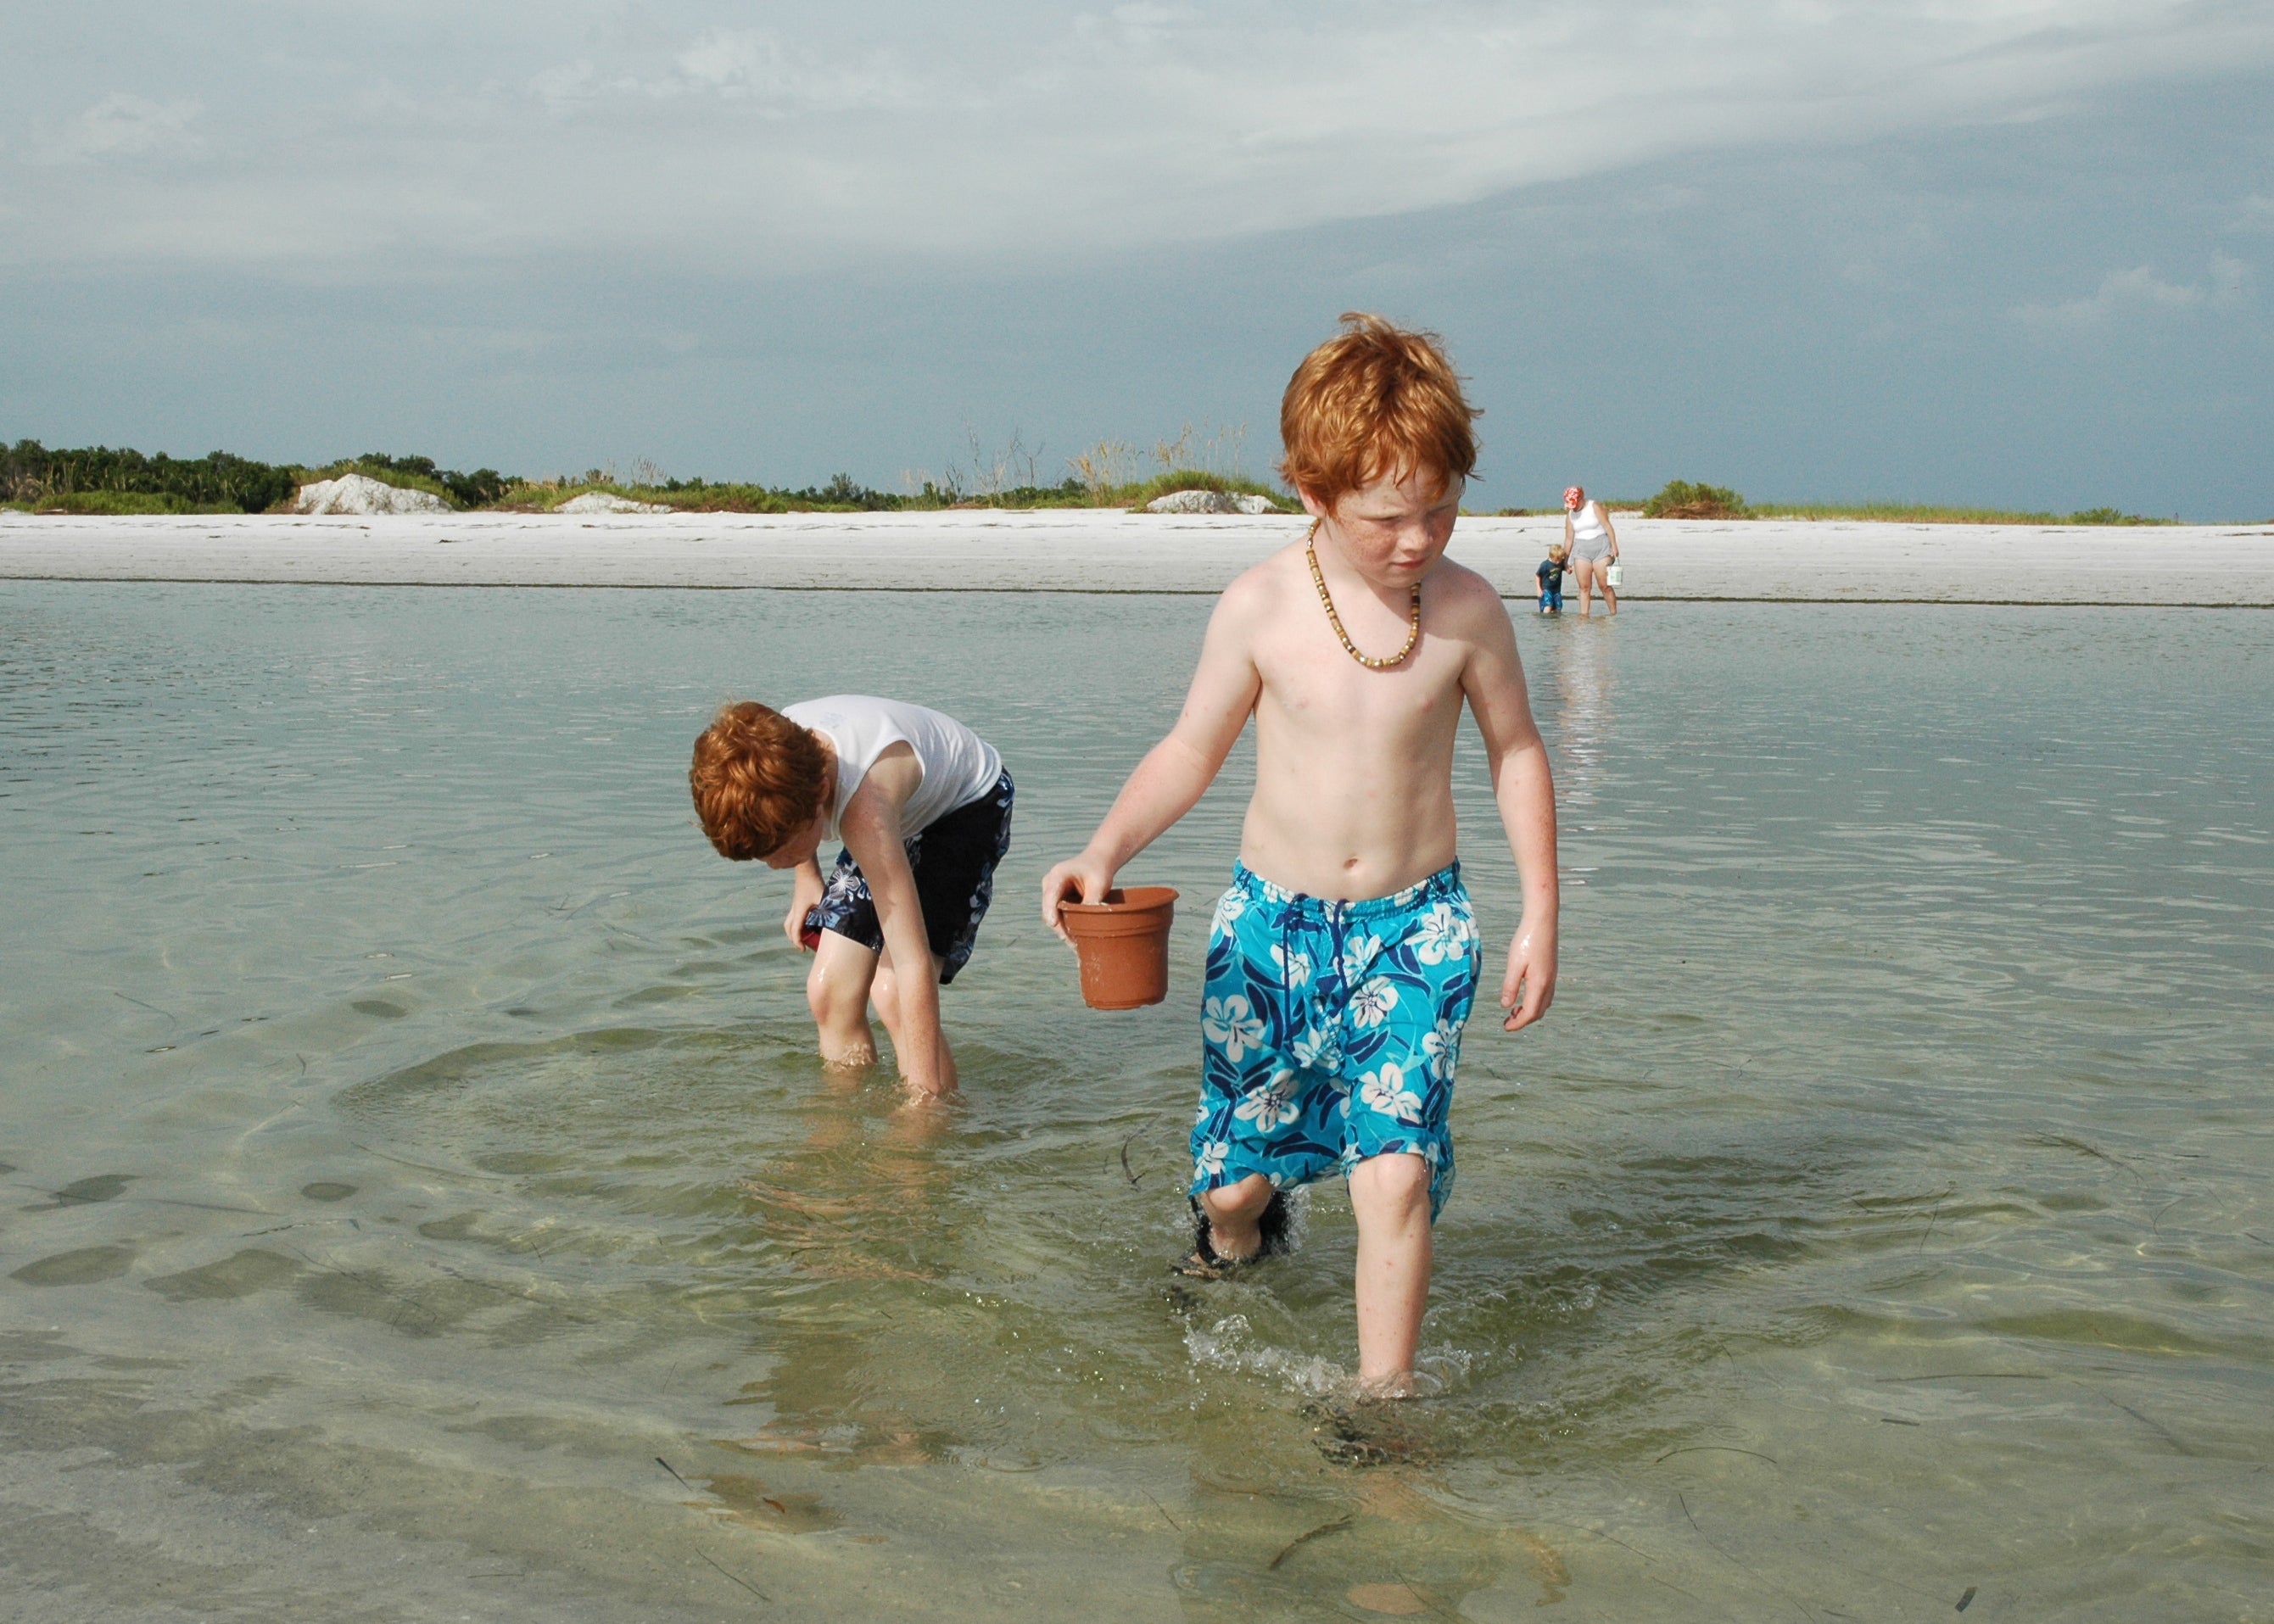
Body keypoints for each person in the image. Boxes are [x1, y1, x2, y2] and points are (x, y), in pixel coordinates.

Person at [1041, 313, 1559, 1396]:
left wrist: (1539, 911)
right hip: (1269, 933)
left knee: (1394, 1174)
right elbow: (1189, 750)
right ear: (1311, 493)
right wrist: (1101, 847)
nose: (1418, 539)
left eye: (1440, 509)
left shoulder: (1465, 612)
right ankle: (1235, 1233)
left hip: (1415, 928)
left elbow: (1515, 751)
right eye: (1387, 519)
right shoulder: (1261, 607)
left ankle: (1383, 1402)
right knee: (1231, 1190)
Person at [690, 697, 1013, 1097]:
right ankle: (841, 1118)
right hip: (896, 811)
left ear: (821, 793)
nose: (774, 865)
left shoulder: (864, 813)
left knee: (892, 993)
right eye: (763, 856)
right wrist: (805, 875)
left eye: (783, 852)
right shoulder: (776, 755)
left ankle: (936, 1115)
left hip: (967, 808)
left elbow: (912, 963)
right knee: (829, 994)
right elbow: (793, 821)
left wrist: (922, 1100)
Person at [1562, 485, 1619, 615]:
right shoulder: (1571, 515)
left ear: (1581, 498)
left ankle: (1613, 614)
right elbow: (1569, 539)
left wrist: (1614, 546)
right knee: (1584, 587)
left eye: (1575, 503)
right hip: (1581, 550)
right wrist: (1566, 561)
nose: (1574, 507)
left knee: (1604, 585)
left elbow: (1607, 526)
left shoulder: (1593, 506)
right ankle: (1584, 617)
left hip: (1601, 548)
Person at [1536, 543, 1567, 614]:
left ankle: (1556, 621)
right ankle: (1545, 620)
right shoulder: (1545, 565)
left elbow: (1565, 567)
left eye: (1560, 559)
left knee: (1559, 606)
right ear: (1551, 556)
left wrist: (1568, 569)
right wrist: (1539, 588)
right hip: (1547, 589)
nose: (1558, 562)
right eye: (1556, 560)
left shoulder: (1560, 563)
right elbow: (1538, 575)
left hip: (1557, 590)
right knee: (1548, 605)